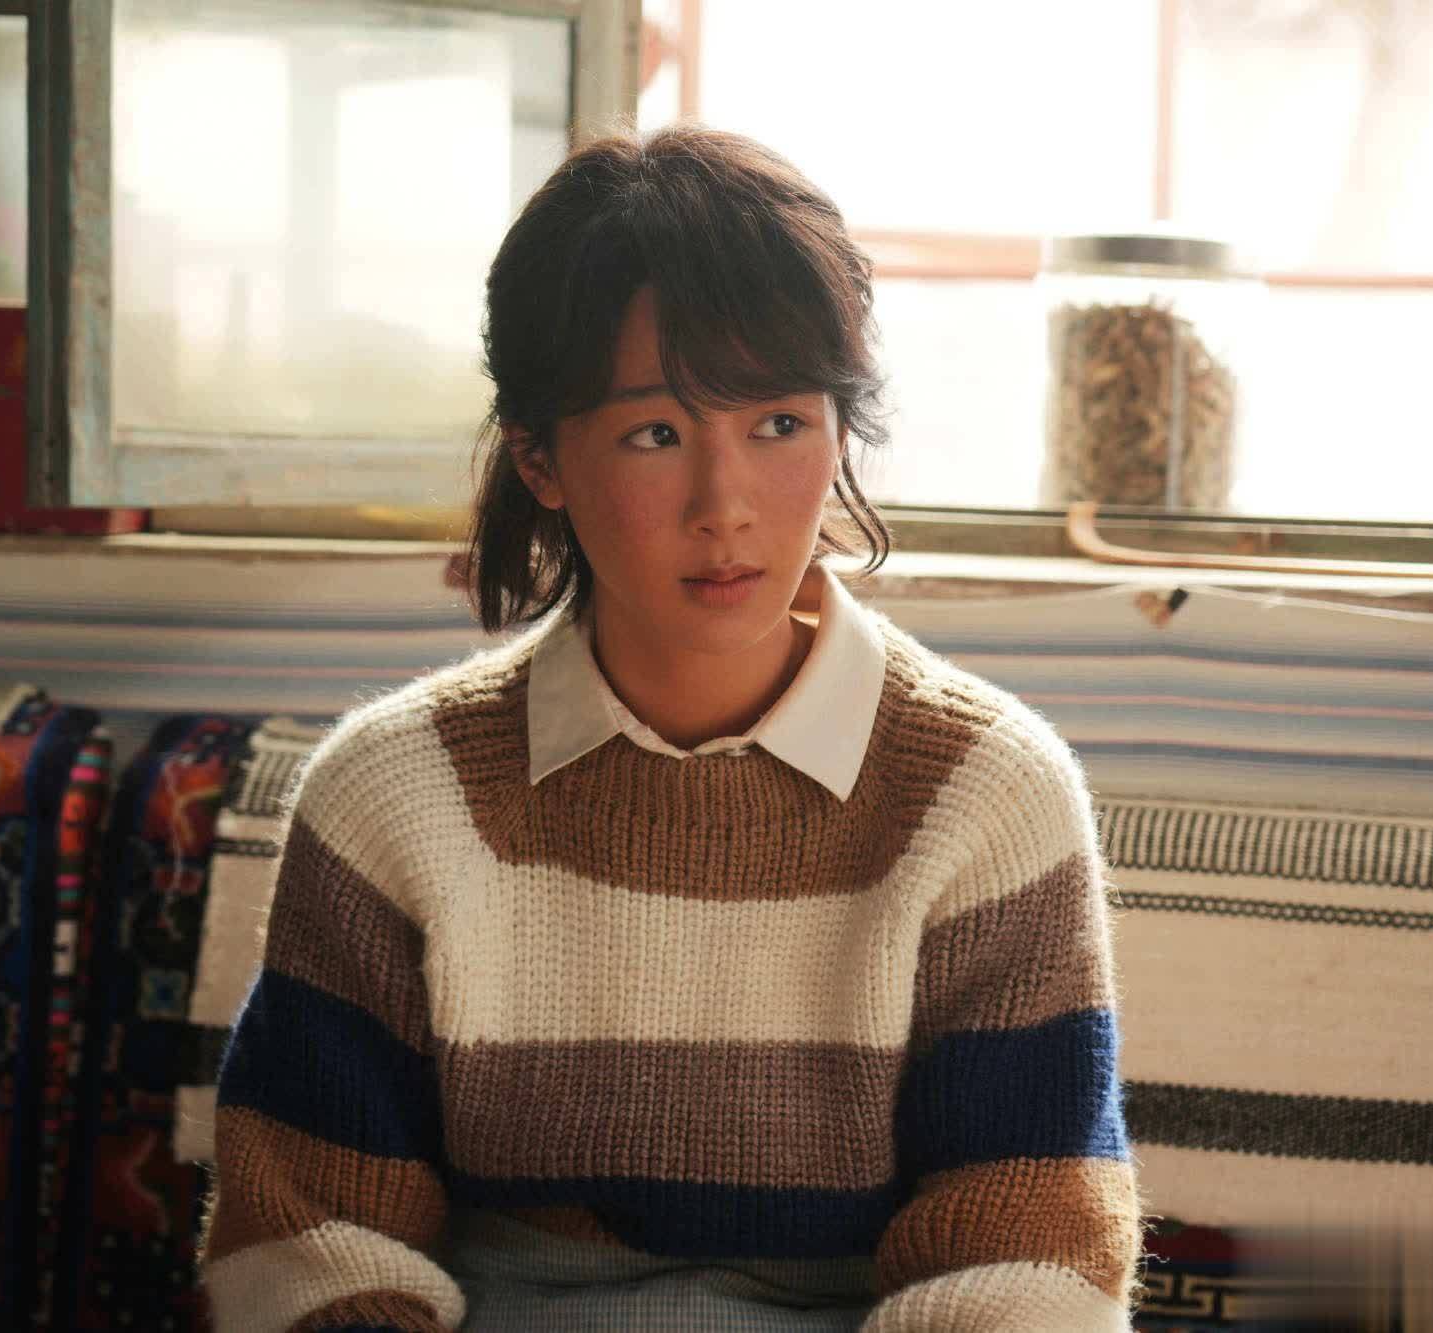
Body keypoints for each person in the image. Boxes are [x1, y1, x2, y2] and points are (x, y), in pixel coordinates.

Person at [195, 121, 1145, 1331]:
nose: (724, 506)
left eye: (779, 424)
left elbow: (1028, 1259)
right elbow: (310, 1237)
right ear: (539, 457)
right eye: (655, 433)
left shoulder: (985, 795)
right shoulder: (393, 796)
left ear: (839, 428)